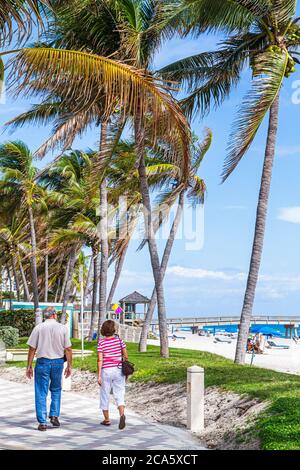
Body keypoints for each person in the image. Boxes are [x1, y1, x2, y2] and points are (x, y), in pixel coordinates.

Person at [26, 307, 72, 431]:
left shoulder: (39, 328)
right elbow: (68, 348)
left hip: (42, 362)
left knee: (41, 392)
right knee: (56, 389)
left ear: (46, 316)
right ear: (54, 315)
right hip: (58, 362)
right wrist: (69, 366)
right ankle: (54, 415)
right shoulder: (63, 328)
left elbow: (32, 349)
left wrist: (29, 366)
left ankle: (42, 422)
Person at [97, 320, 128, 429]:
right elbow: (126, 356)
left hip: (106, 371)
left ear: (103, 330)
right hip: (118, 370)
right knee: (119, 393)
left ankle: (106, 420)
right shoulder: (119, 341)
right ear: (113, 329)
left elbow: (100, 360)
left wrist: (99, 375)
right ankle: (122, 414)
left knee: (104, 394)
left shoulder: (101, 343)